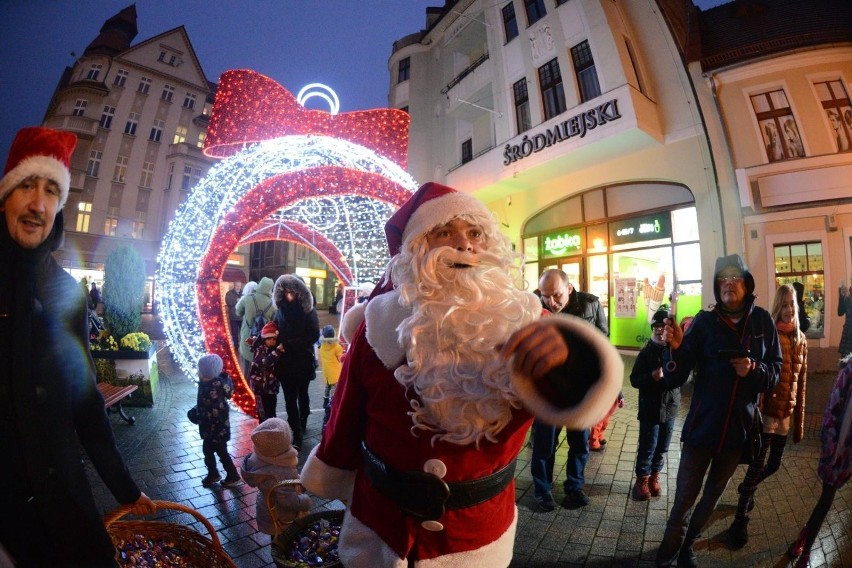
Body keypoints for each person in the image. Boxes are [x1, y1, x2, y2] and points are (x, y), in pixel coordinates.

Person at [300, 182, 623, 566]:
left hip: (475, 536)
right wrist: (327, 474)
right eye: (445, 233)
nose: (465, 245)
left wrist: (574, 362)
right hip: (379, 528)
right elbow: (345, 415)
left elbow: (586, 400)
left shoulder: (528, 322)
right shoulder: (378, 325)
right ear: (418, 248)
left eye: (474, 234)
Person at [0, 126, 155, 567]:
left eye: (51, 190)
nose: (37, 204)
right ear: (5, 197)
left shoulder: (66, 293)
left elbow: (86, 402)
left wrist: (125, 487)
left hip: (61, 495)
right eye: (26, 186)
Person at [655, 254, 781, 567]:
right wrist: (674, 347)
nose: (727, 282)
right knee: (684, 497)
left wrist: (753, 370)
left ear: (747, 282)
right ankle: (665, 555)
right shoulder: (704, 322)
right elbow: (676, 375)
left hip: (737, 434)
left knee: (711, 495)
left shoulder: (763, 322)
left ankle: (687, 549)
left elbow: (776, 372)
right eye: (722, 278)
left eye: (734, 277)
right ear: (716, 286)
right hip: (701, 430)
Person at [728, 284, 807, 548]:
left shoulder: (801, 339)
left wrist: (799, 424)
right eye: (783, 305)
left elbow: (802, 382)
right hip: (766, 414)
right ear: (777, 307)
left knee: (773, 465)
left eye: (791, 305)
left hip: (785, 415)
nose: (788, 310)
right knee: (756, 467)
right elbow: (760, 373)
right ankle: (740, 519)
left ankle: (746, 490)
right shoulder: (771, 334)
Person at [532, 268, 609, 511]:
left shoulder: (590, 304)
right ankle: (542, 490)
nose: (550, 302)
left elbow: (603, 345)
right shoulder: (533, 305)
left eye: (556, 295)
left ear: (570, 288)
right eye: (545, 296)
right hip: (548, 392)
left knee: (580, 443)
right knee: (544, 444)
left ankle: (574, 487)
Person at [786, 356, 852, 568]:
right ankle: (805, 553)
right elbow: (832, 411)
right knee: (826, 501)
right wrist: (832, 447)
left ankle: (804, 535)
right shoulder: (849, 372)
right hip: (840, 452)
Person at [629, 308, 680, 501]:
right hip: (650, 409)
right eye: (657, 326)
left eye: (664, 326)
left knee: (663, 447)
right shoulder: (646, 352)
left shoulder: (675, 350)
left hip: (670, 408)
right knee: (648, 446)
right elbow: (634, 379)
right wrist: (652, 376)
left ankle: (654, 478)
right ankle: (641, 481)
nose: (660, 330)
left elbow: (686, 375)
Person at [241, 418, 313, 536]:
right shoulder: (282, 471)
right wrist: (305, 502)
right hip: (283, 517)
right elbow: (288, 500)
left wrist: (298, 480)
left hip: (266, 509)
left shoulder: (257, 458)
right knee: (284, 542)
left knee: (275, 539)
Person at [273, 273, 320, 449]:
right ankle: (296, 432)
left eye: (292, 291)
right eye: (285, 291)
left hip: (302, 360)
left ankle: (303, 419)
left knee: (303, 394)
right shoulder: (280, 310)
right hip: (285, 362)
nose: (288, 295)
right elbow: (275, 329)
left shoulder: (308, 310)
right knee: (289, 399)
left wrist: (290, 344)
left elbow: (314, 334)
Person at [196, 353, 242, 487]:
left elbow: (210, 412)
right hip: (216, 429)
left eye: (200, 369)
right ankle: (213, 473)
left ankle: (233, 476)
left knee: (222, 452)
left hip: (215, 430)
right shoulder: (214, 384)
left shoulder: (210, 388)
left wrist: (196, 415)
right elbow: (204, 405)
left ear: (206, 372)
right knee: (208, 451)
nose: (198, 371)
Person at [237, 276, 275, 377]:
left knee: (246, 367)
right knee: (260, 368)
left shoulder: (248, 297)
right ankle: (257, 390)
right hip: (262, 341)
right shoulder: (272, 304)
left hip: (247, 337)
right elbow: (274, 322)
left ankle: (246, 389)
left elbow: (238, 312)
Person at [249, 320, 285, 422]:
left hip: (271, 387)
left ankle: (271, 428)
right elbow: (264, 362)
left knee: (271, 410)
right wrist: (277, 351)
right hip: (260, 387)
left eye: (274, 339)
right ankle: (264, 429)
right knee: (262, 413)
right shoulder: (260, 349)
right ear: (264, 339)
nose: (272, 341)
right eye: (269, 339)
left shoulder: (270, 349)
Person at [318, 324, 344, 429]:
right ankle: (332, 403)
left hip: (327, 373)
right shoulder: (337, 347)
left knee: (328, 386)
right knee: (334, 388)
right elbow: (340, 359)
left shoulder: (323, 346)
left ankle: (325, 401)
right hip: (335, 373)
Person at [225, 280, 243, 349]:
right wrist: (236, 300)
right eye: (237, 286)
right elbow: (229, 302)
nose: (238, 287)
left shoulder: (243, 293)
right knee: (235, 333)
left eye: (240, 286)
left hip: (241, 317)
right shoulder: (229, 294)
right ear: (234, 286)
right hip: (234, 317)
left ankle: (242, 346)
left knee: (242, 333)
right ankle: (236, 346)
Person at [838, 280, 852, 362]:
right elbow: (840, 312)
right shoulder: (847, 295)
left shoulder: (848, 297)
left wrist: (848, 299)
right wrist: (841, 296)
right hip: (848, 333)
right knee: (845, 363)